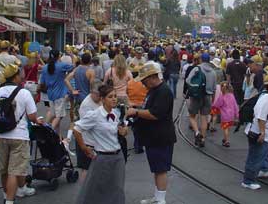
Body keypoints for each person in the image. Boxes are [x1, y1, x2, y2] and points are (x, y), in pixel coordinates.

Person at [0, 62, 40, 203]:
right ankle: (10, 201)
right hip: (19, 135)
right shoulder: (24, 93)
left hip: (0, 135)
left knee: (3, 170)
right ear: (16, 76)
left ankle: (6, 195)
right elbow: (32, 116)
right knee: (14, 171)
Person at [127, 63, 176, 204]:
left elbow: (155, 114)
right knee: (156, 168)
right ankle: (157, 197)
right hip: (154, 136)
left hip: (161, 136)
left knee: (160, 169)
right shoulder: (154, 90)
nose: (142, 83)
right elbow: (148, 107)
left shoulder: (163, 91)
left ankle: (161, 200)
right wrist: (137, 107)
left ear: (152, 77)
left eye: (144, 80)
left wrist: (136, 111)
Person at [73, 84, 128, 204]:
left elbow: (123, 128)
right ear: (103, 99)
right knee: (98, 190)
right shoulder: (95, 115)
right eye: (110, 97)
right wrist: (84, 147)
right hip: (102, 158)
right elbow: (76, 129)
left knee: (118, 189)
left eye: (115, 96)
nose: (114, 99)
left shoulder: (117, 113)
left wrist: (124, 131)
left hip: (118, 157)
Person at [185, 52, 217, 147]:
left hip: (196, 96)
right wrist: (213, 99)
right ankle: (202, 138)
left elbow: (187, 80)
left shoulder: (196, 68)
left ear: (201, 59)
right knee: (204, 118)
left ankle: (197, 132)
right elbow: (214, 88)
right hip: (208, 96)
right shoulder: (213, 71)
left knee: (192, 116)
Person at [39, 50, 73, 130]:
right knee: (59, 116)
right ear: (59, 56)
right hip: (60, 94)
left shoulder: (45, 68)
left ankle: (47, 127)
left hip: (50, 94)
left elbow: (42, 82)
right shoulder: (61, 66)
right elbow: (73, 66)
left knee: (53, 113)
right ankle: (47, 130)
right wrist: (71, 56)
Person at [75, 81, 102, 179]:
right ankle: (84, 192)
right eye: (98, 95)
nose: (100, 97)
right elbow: (83, 127)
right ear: (91, 92)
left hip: (97, 141)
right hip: (87, 141)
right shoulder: (86, 105)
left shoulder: (99, 100)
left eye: (102, 95)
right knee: (87, 169)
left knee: (97, 170)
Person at [211, 82, 239, 147]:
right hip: (231, 116)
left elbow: (218, 104)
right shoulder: (232, 96)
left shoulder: (222, 96)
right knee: (228, 128)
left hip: (225, 116)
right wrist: (237, 114)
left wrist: (214, 105)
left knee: (225, 128)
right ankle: (225, 138)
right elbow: (235, 106)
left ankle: (226, 141)